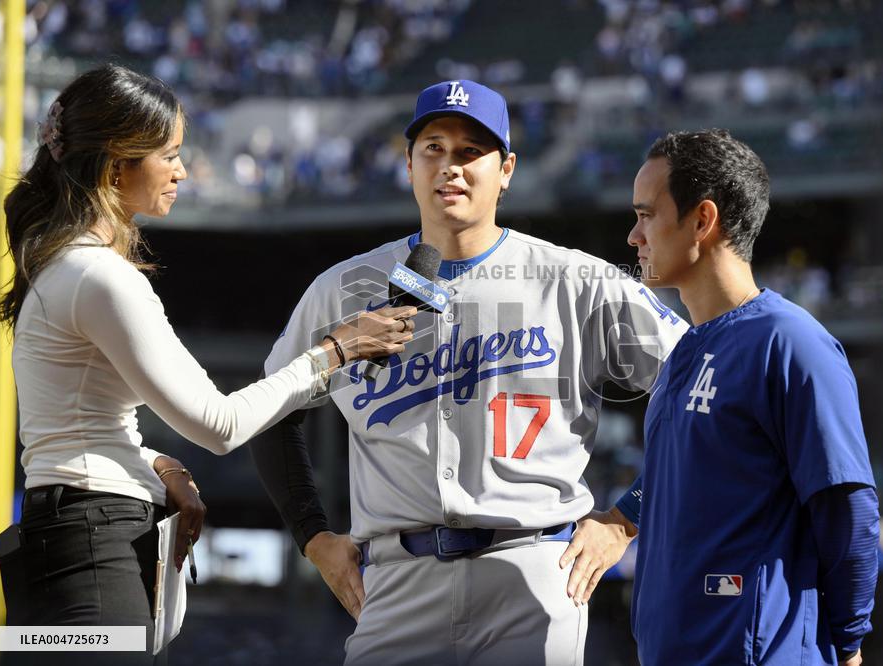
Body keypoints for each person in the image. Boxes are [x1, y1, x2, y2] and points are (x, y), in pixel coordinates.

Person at [250, 79, 688, 665]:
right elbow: (267, 414)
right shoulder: (343, 289)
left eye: (470, 152)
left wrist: (625, 520)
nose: (450, 167)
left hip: (535, 567)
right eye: (433, 148)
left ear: (506, 169)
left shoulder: (580, 281)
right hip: (396, 580)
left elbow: (700, 391)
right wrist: (313, 537)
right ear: (408, 164)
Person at [0, 64, 414, 663]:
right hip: (93, 546)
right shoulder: (100, 277)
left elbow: (69, 425)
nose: (182, 171)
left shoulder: (60, 265)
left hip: (60, 541)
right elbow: (220, 426)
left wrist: (151, 461)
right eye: (170, 154)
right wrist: (334, 352)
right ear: (117, 166)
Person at [616, 129, 879, 665]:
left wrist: (849, 645)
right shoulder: (686, 348)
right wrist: (619, 516)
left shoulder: (789, 341)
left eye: (646, 215)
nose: (633, 237)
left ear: (703, 220)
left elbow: (846, 505)